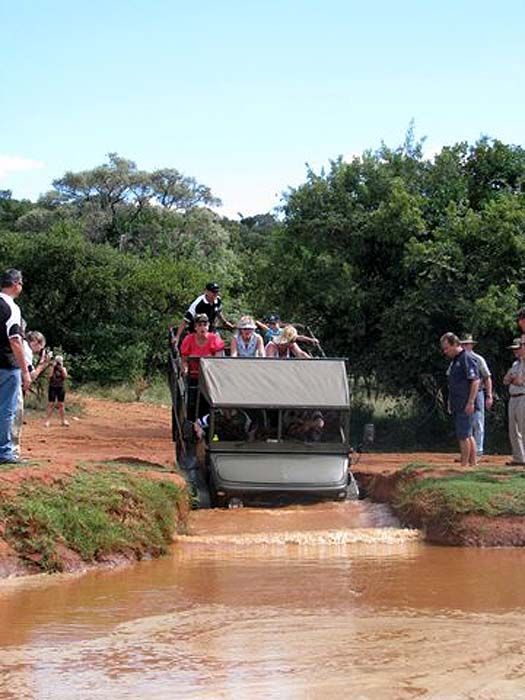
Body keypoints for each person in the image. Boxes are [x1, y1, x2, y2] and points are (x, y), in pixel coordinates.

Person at [0, 269, 31, 464]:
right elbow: (15, 341)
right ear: (15, 284)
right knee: (6, 409)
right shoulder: (11, 307)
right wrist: (25, 371)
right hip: (6, 365)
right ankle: (4, 452)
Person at [440, 332, 480, 468]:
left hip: (465, 403)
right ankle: (472, 464)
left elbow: (475, 381)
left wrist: (471, 401)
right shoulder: (455, 361)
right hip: (458, 403)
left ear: (455, 344)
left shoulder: (466, 358)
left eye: (447, 348)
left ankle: (464, 465)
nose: (445, 352)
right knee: (467, 434)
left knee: (463, 435)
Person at [12, 329, 50, 458]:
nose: (39, 352)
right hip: (13, 386)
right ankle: (11, 451)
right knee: (15, 416)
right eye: (40, 348)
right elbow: (31, 375)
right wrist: (42, 364)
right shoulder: (26, 349)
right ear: (35, 342)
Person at [180, 313, 225, 419]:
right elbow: (184, 360)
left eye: (205, 324)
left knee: (211, 401)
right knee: (192, 401)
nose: (202, 327)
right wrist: (185, 370)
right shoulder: (189, 339)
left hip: (210, 378)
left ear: (208, 326)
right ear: (195, 327)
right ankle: (191, 421)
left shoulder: (214, 339)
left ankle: (210, 421)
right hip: (194, 376)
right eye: (199, 325)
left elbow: (218, 361)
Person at [459, 334, 493, 458]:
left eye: (467, 344)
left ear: (471, 345)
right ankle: (467, 451)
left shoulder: (478, 359)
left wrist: (489, 395)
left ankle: (478, 450)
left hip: (477, 392)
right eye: (463, 344)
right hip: (463, 393)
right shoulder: (458, 360)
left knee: (477, 421)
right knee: (464, 422)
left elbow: (487, 377)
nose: (465, 346)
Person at [503, 338, 525, 466]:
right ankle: (519, 458)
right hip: (513, 397)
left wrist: (515, 380)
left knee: (523, 427)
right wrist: (514, 379)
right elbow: (506, 380)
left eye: (517, 348)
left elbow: (521, 381)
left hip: (523, 396)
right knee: (513, 429)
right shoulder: (515, 365)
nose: (515, 352)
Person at [44, 355, 69, 427]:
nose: (58, 363)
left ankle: (63, 420)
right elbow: (49, 376)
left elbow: (65, 376)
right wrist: (53, 367)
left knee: (61, 404)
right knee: (51, 404)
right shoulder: (52, 369)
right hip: (52, 387)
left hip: (60, 388)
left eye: (59, 362)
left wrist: (61, 368)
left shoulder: (63, 368)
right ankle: (47, 421)